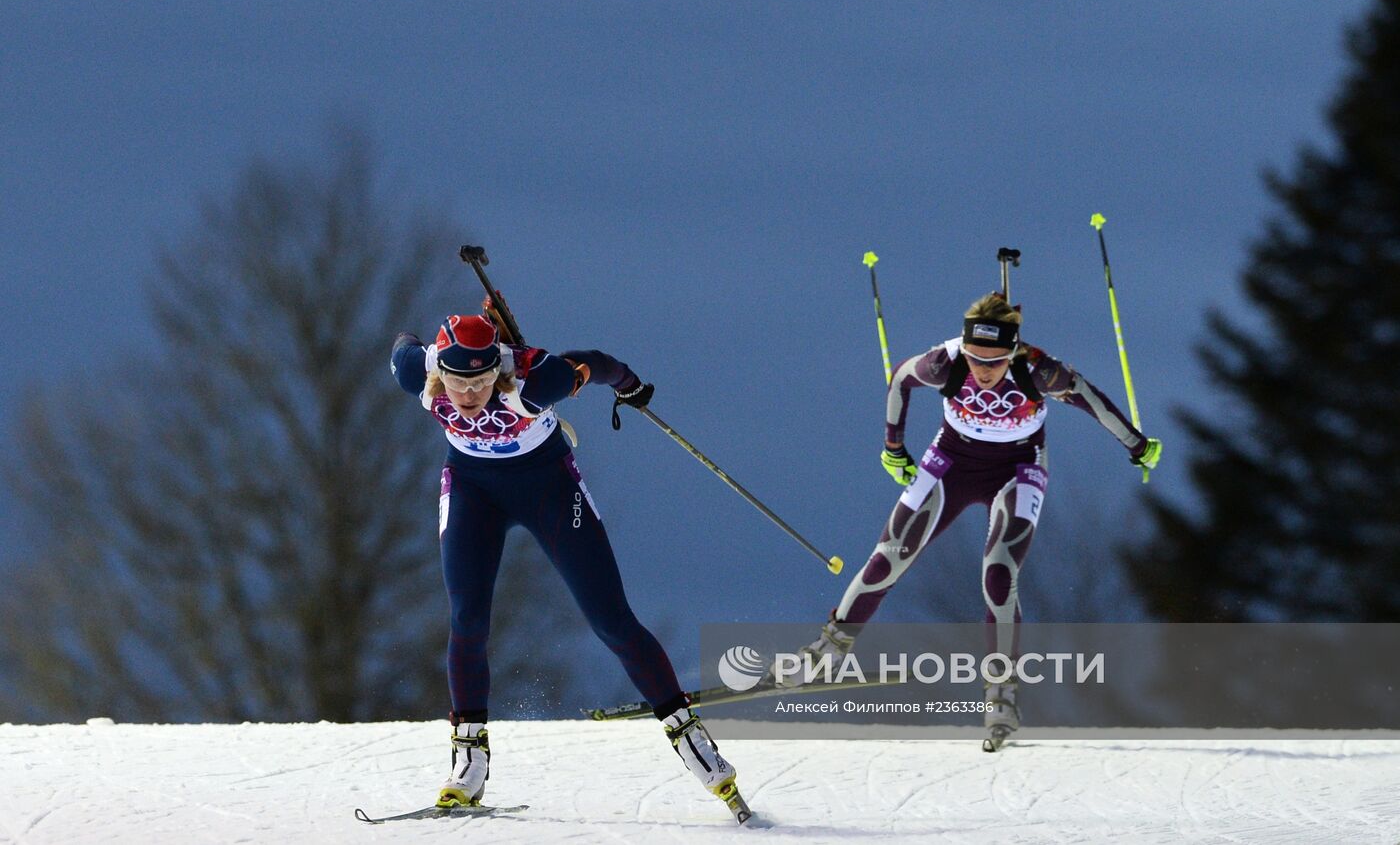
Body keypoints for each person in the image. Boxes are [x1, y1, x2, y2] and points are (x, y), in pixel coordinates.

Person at [390, 313, 744, 813]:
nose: (468, 395)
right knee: (467, 619)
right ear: (437, 371)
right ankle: (468, 762)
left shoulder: (538, 380)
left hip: (549, 491)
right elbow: (404, 342)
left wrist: (631, 385)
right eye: (457, 382)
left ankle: (694, 744)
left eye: (483, 380)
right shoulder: (417, 373)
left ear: (499, 371)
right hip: (473, 492)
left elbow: (597, 364)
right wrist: (435, 337)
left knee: (611, 620)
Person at [794, 292, 1161, 744]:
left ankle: (1001, 694)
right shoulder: (944, 363)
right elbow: (900, 380)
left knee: (999, 573)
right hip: (950, 461)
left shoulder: (1037, 368)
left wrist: (1137, 445)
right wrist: (893, 447)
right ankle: (830, 647)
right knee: (890, 555)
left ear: (1012, 354)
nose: (983, 372)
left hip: (1018, 468)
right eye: (975, 360)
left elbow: (1091, 400)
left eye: (994, 362)